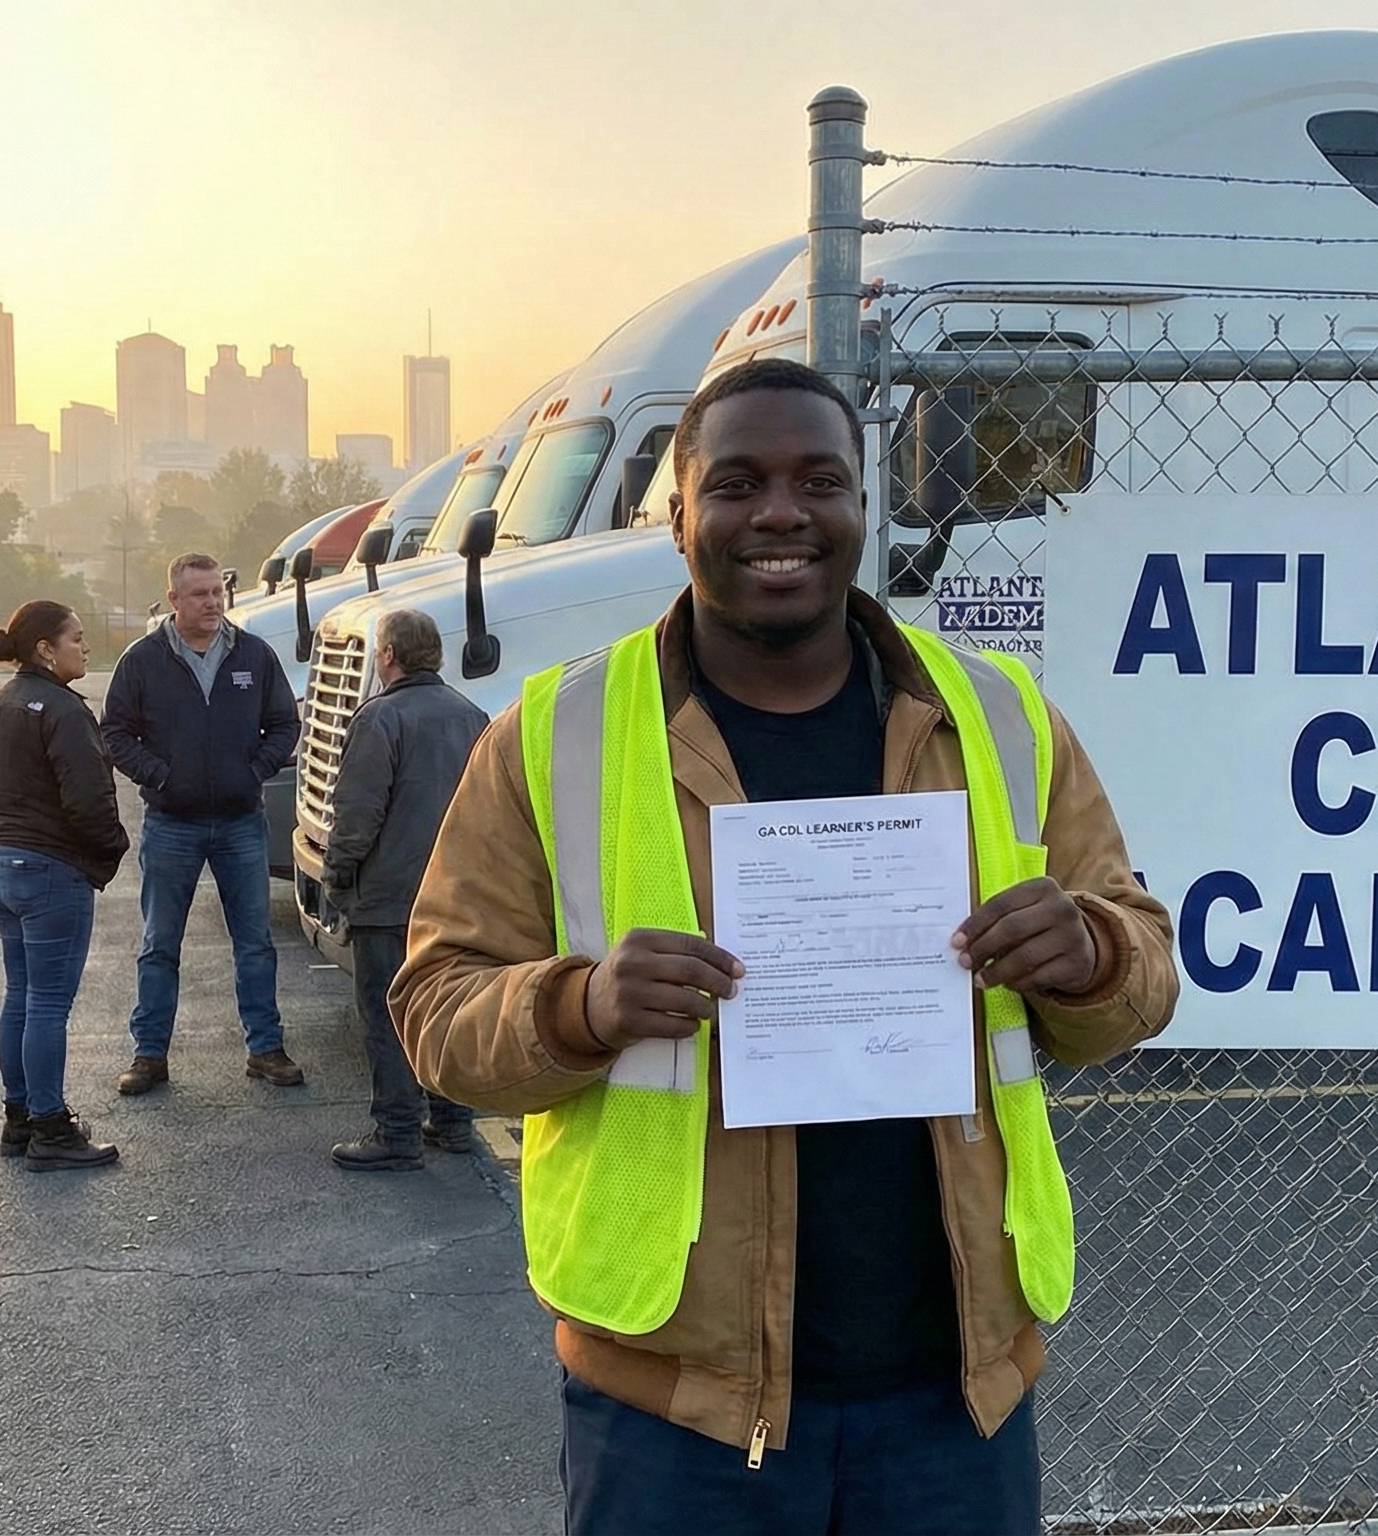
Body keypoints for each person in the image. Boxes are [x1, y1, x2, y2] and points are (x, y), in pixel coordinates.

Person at [391, 358, 1181, 1532]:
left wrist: (1094, 957)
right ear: (677, 516)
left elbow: (1144, 968)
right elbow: (435, 1014)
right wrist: (582, 1008)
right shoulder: (550, 736)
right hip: (676, 1412)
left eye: (820, 481)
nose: (780, 513)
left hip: (952, 1397)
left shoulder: (1001, 716)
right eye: (737, 483)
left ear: (861, 509)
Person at [100, 553, 305, 1095]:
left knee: (254, 943)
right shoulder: (142, 661)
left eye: (217, 593)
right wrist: (161, 777)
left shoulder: (254, 656)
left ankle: (266, 1048)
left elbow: (285, 724)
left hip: (240, 822)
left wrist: (252, 772)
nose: (212, 603)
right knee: (159, 943)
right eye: (200, 595)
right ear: (174, 600)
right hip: (172, 824)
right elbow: (115, 732)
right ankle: (149, 1056)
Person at [317, 608, 489, 1172]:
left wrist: (338, 877)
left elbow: (358, 813)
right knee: (446, 1007)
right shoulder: (473, 716)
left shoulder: (380, 719)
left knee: (388, 1015)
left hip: (390, 898)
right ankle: (452, 1121)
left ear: (387, 655)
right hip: (456, 898)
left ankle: (396, 1132)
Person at [0, 599, 128, 1171]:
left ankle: (19, 1120)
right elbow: (88, 799)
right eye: (77, 639)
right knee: (47, 1004)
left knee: (21, 995)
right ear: (45, 649)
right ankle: (50, 1128)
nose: (86, 648)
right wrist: (111, 850)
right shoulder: (62, 710)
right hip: (47, 870)